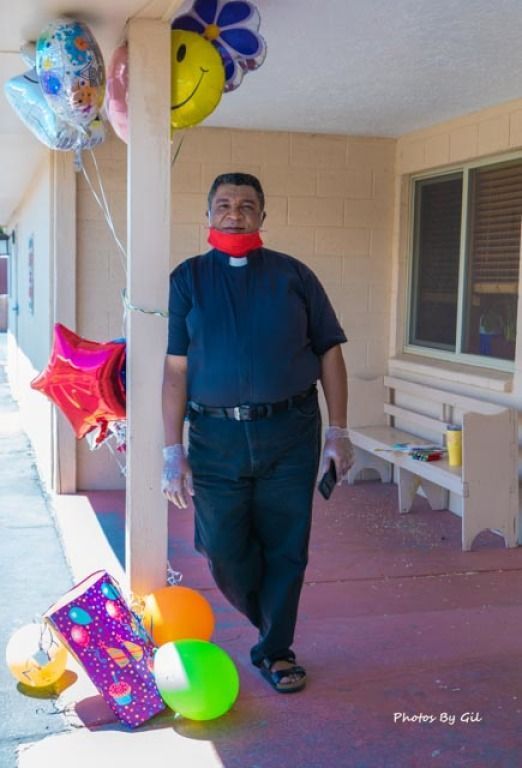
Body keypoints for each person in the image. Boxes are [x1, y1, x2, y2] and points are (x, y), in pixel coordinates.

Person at [161, 172, 354, 693]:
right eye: (223, 204)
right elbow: (176, 369)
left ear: (263, 217)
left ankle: (275, 649)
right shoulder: (187, 279)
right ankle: (269, 620)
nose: (235, 213)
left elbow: (330, 351)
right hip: (214, 439)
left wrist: (338, 431)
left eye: (248, 205)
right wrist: (171, 449)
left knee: (287, 546)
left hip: (290, 433)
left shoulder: (295, 276)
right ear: (208, 215)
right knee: (222, 548)